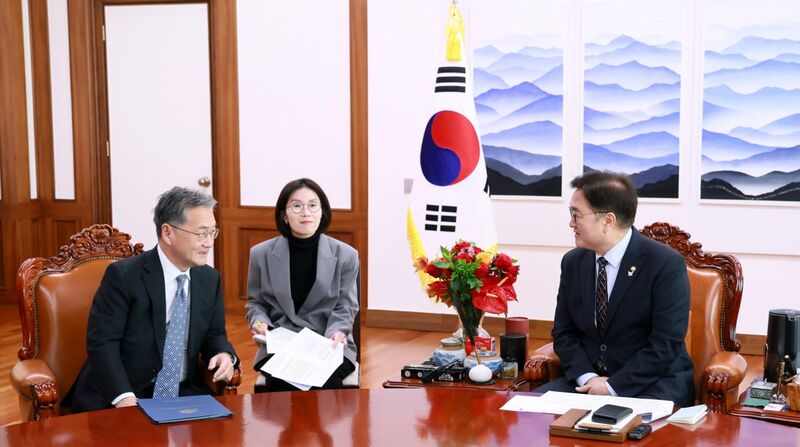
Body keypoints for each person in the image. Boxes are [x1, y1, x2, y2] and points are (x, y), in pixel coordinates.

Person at [66, 187, 238, 412]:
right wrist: (123, 397)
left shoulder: (209, 279)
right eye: (201, 233)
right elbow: (103, 342)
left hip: (183, 393)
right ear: (168, 233)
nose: (208, 242)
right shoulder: (124, 276)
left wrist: (224, 354)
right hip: (123, 393)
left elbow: (214, 334)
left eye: (212, 232)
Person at [536, 171, 694, 407]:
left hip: (652, 384)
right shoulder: (573, 262)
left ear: (607, 221)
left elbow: (665, 344)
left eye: (576, 214)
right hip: (587, 384)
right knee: (530, 416)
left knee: (625, 429)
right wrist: (589, 378)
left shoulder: (664, 264)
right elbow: (564, 333)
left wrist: (612, 386)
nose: (571, 223)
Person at [247, 178, 359, 391]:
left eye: (313, 205)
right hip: (282, 343)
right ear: (284, 215)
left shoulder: (346, 255)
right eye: (297, 206)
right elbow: (256, 303)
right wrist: (259, 322)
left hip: (328, 342)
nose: (306, 212)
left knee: (323, 381)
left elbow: (345, 306)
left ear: (322, 212)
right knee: (283, 381)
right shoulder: (261, 254)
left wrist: (337, 331)